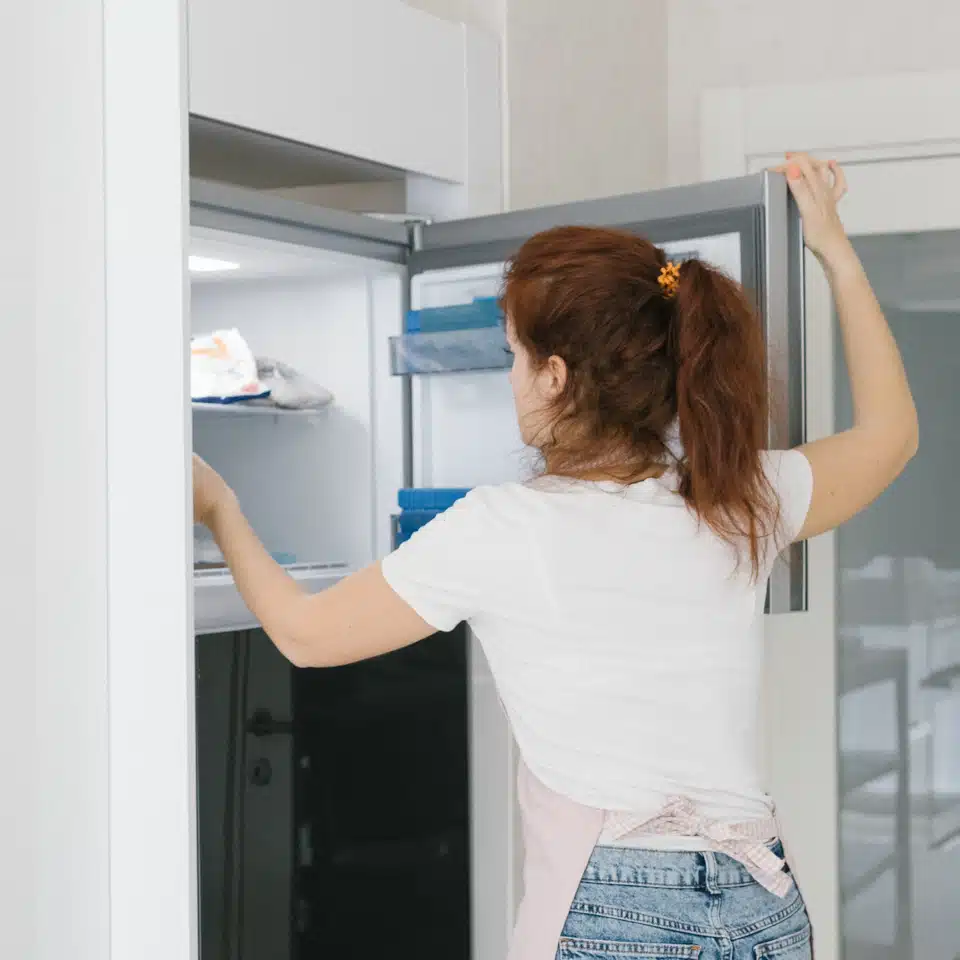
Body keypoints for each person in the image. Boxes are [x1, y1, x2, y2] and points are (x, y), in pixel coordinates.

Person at [193, 154, 918, 960]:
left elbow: (306, 634)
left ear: (557, 377)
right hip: (762, 898)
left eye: (512, 354)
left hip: (614, 907)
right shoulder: (739, 495)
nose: (510, 377)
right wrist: (833, 248)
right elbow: (891, 436)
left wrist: (220, 506)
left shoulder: (502, 526)